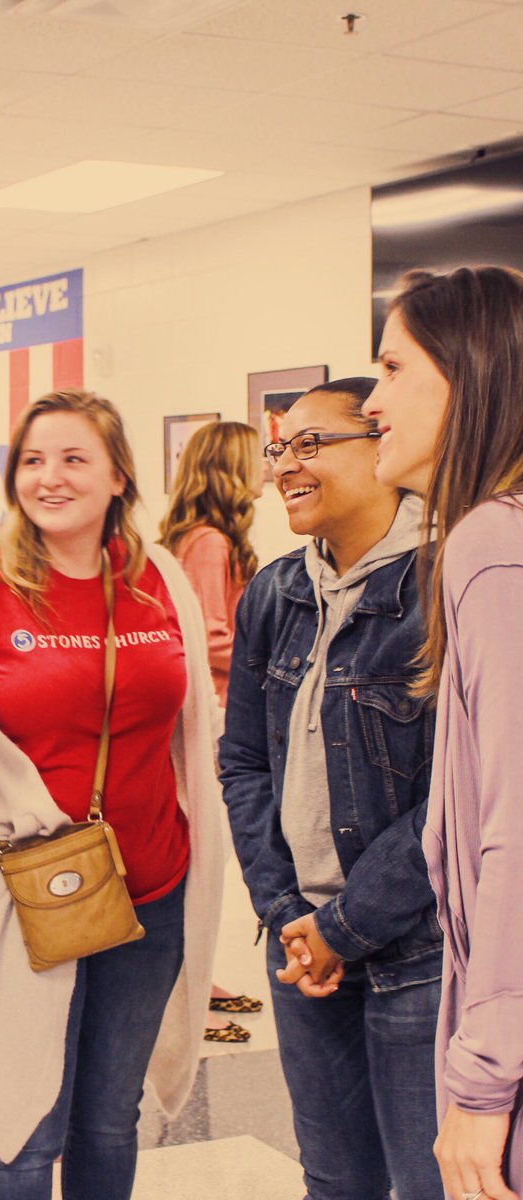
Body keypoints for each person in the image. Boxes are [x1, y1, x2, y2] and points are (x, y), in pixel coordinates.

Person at [0, 388, 224, 1200]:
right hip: (34, 897)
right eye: (33, 460)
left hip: (153, 888)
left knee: (110, 1117)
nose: (50, 477)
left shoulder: (159, 578)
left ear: (119, 477)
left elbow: (196, 726)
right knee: (25, 1126)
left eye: (75, 458)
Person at [219, 378, 442, 1200]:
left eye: (311, 444)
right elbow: (244, 762)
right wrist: (287, 914)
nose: (284, 465)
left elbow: (458, 797)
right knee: (336, 1183)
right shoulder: (275, 592)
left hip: (422, 954)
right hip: (302, 949)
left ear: (381, 443)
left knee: (433, 1182)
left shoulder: (447, 582)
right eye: (280, 448)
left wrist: (343, 928)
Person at [364, 265, 523, 1200]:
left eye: (394, 369)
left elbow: (515, 830)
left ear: (469, 375)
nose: (372, 401)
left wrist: (483, 1079)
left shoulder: (492, 546)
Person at [159, 419, 265, 1044]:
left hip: (212, 719)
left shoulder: (202, 538)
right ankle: (183, 1000)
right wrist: (271, 651)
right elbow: (207, 637)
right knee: (200, 864)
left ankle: (195, 982)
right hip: (211, 721)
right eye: (258, 458)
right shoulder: (209, 543)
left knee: (205, 861)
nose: (270, 468)